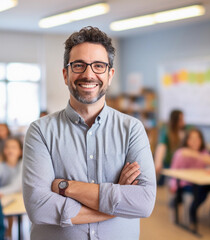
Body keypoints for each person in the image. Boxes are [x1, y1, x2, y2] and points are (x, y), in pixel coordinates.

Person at [22, 26, 156, 240]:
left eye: (98, 66)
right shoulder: (40, 131)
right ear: (66, 74)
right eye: (79, 65)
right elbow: (39, 208)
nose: (88, 74)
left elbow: (144, 202)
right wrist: (116, 200)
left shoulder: (132, 129)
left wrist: (67, 187)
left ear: (110, 75)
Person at [170, 128, 210, 230]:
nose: (195, 141)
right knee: (200, 191)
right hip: (186, 183)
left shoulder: (203, 152)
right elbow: (173, 172)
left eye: (197, 139)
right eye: (192, 139)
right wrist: (174, 187)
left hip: (201, 182)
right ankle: (192, 212)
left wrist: (195, 154)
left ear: (201, 140)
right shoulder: (180, 153)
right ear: (187, 140)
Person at [0, 137, 23, 238]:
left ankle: (9, 234)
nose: (10, 150)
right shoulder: (0, 166)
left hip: (17, 200)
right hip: (2, 199)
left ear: (20, 151)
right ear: (4, 151)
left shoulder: (22, 164)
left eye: (14, 147)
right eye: (7, 147)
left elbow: (16, 186)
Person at [155, 109, 190, 184]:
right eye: (180, 119)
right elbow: (161, 147)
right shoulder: (167, 131)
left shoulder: (186, 130)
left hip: (182, 165)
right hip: (170, 163)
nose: (183, 121)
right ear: (174, 121)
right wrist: (158, 162)